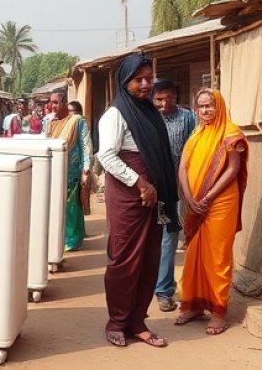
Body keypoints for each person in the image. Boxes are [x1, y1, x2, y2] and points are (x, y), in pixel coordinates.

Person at [97, 54, 180, 348]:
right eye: (138, 79)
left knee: (149, 258)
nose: (145, 85)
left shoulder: (148, 112)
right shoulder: (115, 114)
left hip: (152, 199)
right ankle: (117, 321)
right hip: (128, 197)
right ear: (125, 81)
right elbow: (106, 155)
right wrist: (140, 182)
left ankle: (137, 321)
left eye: (149, 78)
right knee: (125, 259)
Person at [174, 89, 248, 335]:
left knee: (217, 255)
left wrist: (208, 196)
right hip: (195, 203)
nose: (205, 111)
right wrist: (188, 196)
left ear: (220, 106)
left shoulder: (230, 133)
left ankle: (218, 311)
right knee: (195, 254)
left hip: (221, 202)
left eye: (210, 106)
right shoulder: (196, 135)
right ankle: (193, 305)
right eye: (201, 106)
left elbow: (232, 170)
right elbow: (183, 167)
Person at [151, 80, 196, 312]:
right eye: (159, 99)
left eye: (168, 98)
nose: (164, 103)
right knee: (151, 238)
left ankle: (164, 291)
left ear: (175, 97)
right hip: (152, 187)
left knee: (171, 236)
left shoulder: (187, 118)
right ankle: (150, 284)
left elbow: (195, 147)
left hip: (179, 188)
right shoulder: (148, 117)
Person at [46, 92, 91, 252]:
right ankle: (68, 236)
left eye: (56, 102)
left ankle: (72, 240)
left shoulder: (77, 122)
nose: (53, 106)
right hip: (54, 170)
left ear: (64, 102)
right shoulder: (49, 122)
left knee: (72, 205)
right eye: (51, 103)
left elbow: (85, 145)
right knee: (59, 206)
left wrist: (86, 169)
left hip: (73, 171)